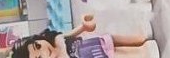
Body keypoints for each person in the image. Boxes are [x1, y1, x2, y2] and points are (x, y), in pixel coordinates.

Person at [10, 16, 159, 58]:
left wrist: (84, 26)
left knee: (114, 40)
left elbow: (72, 34)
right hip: (93, 55)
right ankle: (143, 52)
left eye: (37, 46)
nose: (44, 51)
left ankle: (139, 38)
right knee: (117, 54)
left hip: (94, 42)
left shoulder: (57, 40)